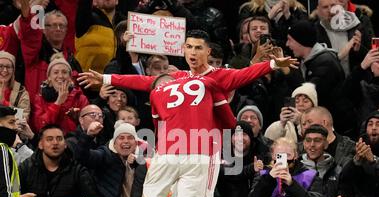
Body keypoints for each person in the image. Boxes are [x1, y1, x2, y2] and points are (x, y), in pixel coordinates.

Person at [77, 29, 298, 101]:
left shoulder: (221, 75)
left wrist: (272, 64)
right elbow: (143, 81)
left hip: (207, 146)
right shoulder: (176, 77)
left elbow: (247, 73)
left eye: (199, 48)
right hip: (179, 147)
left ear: (208, 52)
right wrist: (106, 78)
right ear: (183, 50)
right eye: (189, 47)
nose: (193, 52)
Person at [19, 124, 104, 197]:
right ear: (40, 144)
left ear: (65, 144)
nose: (55, 143)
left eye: (59, 139)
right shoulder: (26, 167)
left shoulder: (77, 169)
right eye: (49, 139)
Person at [334, 111, 379, 197]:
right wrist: (357, 160)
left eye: (378, 124)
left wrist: (373, 161)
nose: (373, 128)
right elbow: (344, 181)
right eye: (370, 124)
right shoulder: (356, 151)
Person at [32, 53, 89, 135]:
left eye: (64, 72)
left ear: (70, 77)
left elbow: (87, 127)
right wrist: (58, 103)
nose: (60, 76)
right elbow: (40, 126)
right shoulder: (40, 98)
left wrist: (75, 118)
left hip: (74, 143)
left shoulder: (80, 98)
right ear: (49, 77)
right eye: (55, 72)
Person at [300, 124, 342, 197]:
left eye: (317, 140)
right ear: (304, 144)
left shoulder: (337, 171)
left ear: (326, 144)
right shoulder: (295, 170)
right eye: (308, 140)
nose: (312, 145)